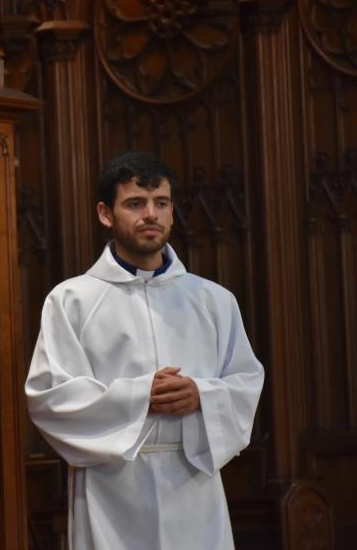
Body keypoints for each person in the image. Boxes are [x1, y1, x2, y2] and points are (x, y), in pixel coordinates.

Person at [24, 150, 264, 549]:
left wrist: (201, 395)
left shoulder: (213, 300)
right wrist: (140, 395)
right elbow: (50, 398)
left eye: (161, 203)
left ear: (172, 212)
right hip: (113, 486)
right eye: (135, 204)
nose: (150, 214)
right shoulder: (72, 301)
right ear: (106, 213)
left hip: (194, 484)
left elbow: (247, 383)